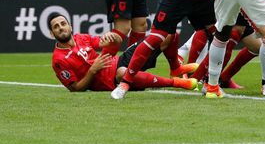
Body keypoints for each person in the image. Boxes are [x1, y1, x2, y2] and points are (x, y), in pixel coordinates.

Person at [50, 13, 197, 93]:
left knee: (167, 35)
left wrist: (110, 37)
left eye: (63, 24)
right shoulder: (58, 60)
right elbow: (75, 88)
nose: (61, 28)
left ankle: (175, 69)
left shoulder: (81, 37)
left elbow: (102, 42)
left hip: (120, 60)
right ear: (52, 33)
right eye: (56, 27)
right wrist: (92, 71)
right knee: (122, 73)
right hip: (111, 81)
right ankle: (177, 82)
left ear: (70, 25)